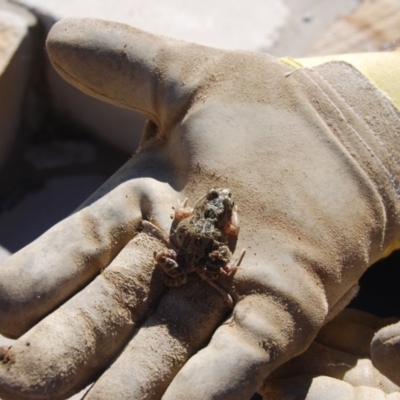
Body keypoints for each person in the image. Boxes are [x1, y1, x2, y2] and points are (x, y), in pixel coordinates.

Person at [0, 17, 400, 400]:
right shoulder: (223, 226)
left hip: (181, 254)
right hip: (201, 258)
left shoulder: (197, 217)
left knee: (252, 356)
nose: (224, 202)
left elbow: (181, 217)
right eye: (222, 203)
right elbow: (218, 231)